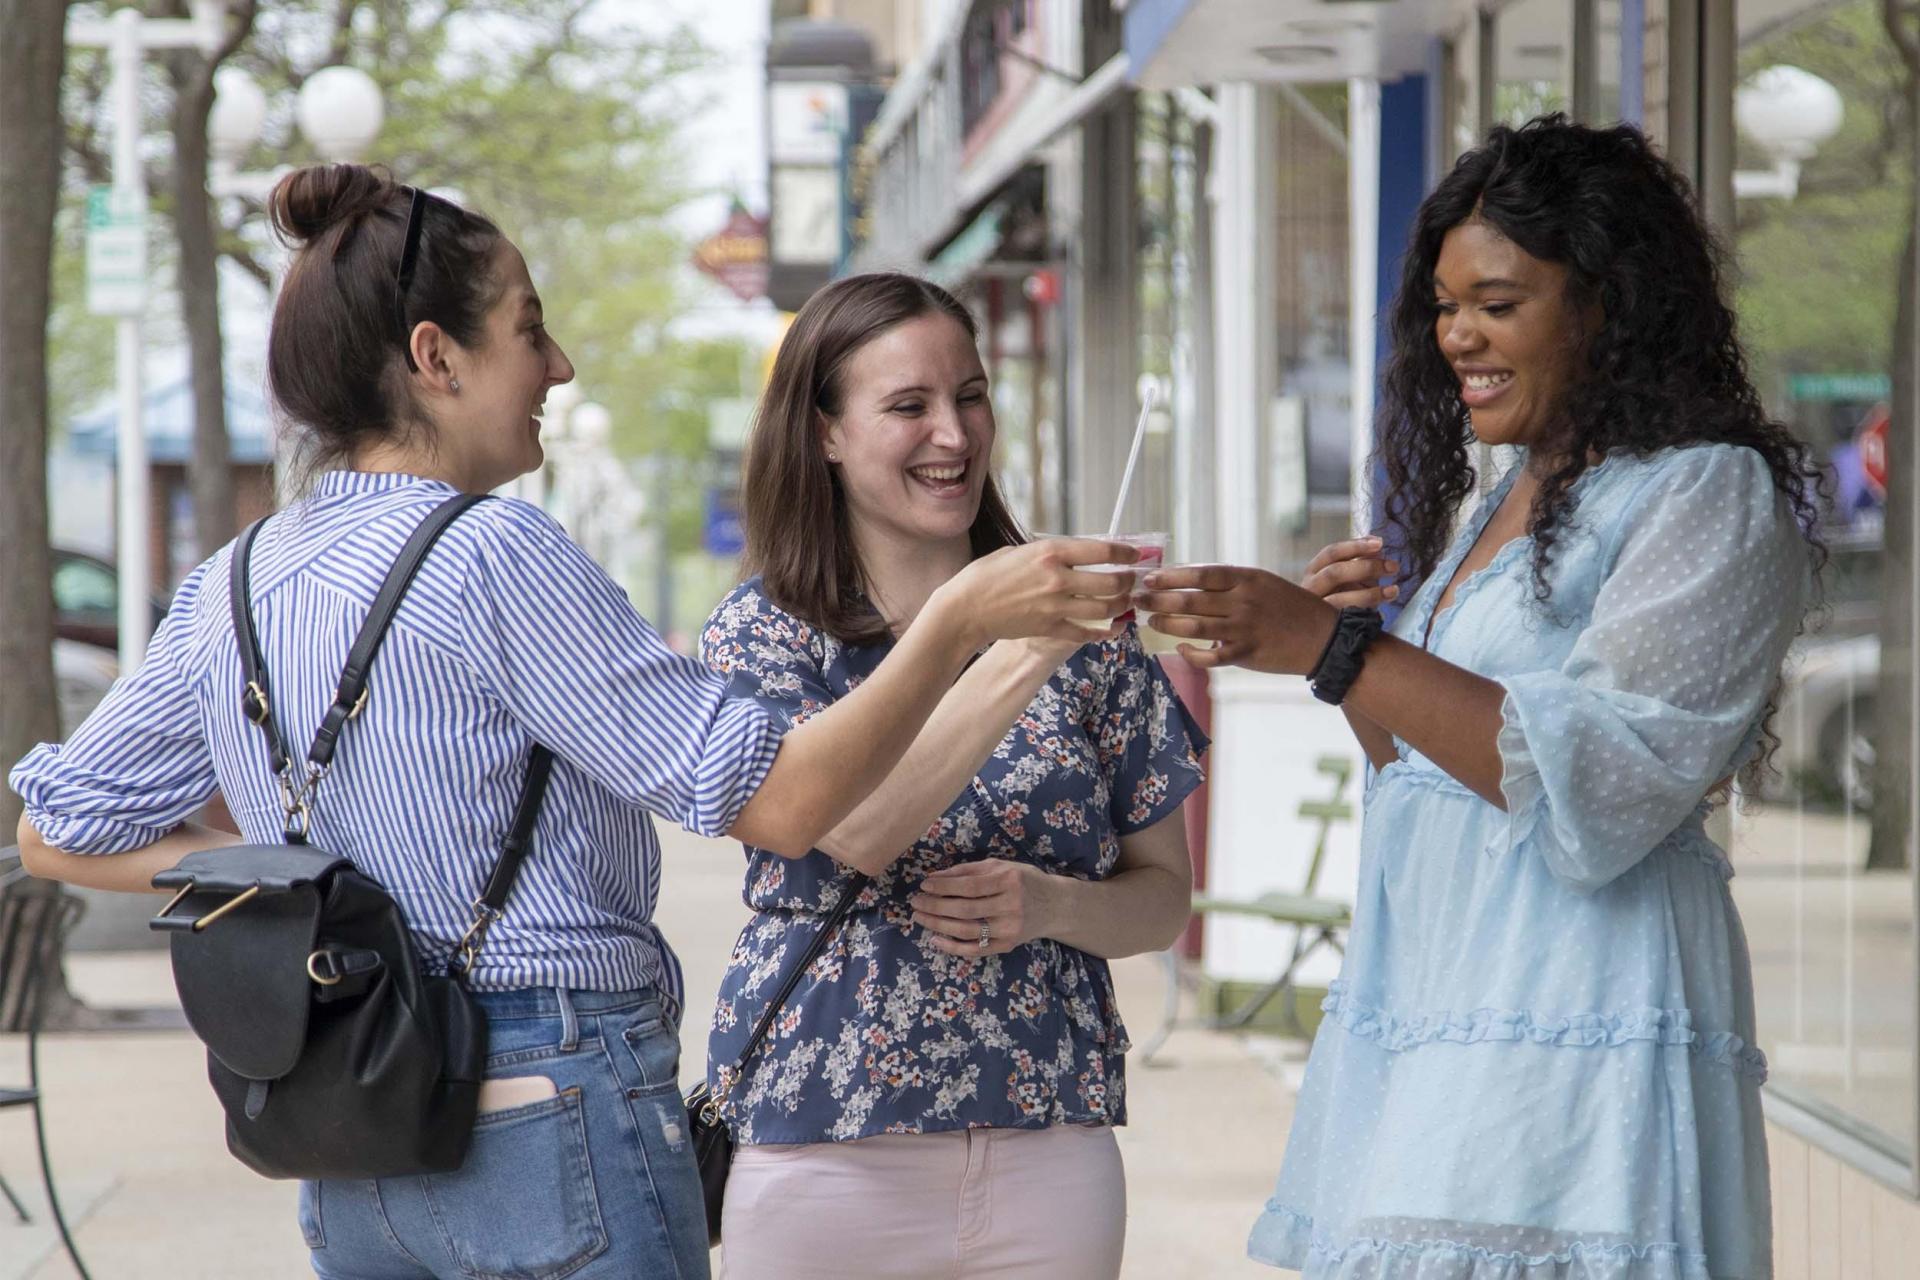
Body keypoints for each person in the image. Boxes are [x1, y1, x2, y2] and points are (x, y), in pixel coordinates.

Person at [9, 167, 1138, 1280]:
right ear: (435, 357)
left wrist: (301, 889)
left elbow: (58, 833)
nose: (560, 364)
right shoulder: (495, 553)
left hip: (349, 1130)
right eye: (530, 330)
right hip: (546, 1098)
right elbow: (786, 803)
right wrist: (957, 625)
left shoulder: (232, 581)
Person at [1137, 117, 1823, 1278]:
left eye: (1499, 303)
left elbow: (1604, 781)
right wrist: (1343, 652)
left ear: (1607, 301)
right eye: (1447, 305)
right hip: (1442, 989)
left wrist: (1341, 649)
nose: (1459, 335)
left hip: (1576, 1006)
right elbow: (1425, 771)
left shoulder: (1707, 490)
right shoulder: (1496, 501)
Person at [697, 272, 1208, 1280]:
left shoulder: (1090, 633)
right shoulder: (765, 633)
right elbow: (854, 829)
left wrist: (1053, 902)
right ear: (827, 433)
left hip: (1047, 1144)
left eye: (970, 395)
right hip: (822, 1148)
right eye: (908, 406)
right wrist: (992, 630)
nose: (954, 433)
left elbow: (1163, 901)